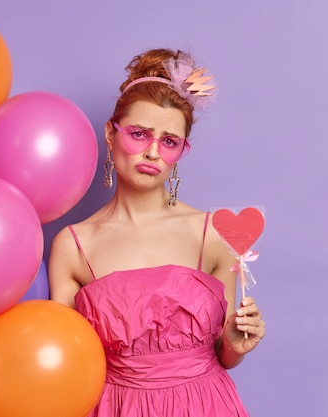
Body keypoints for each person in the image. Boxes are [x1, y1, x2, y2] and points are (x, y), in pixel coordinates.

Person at [47, 48, 265, 416]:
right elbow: (64, 362)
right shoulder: (74, 245)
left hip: (205, 405)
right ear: (111, 135)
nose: (152, 152)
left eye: (169, 141)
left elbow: (222, 356)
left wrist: (233, 345)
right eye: (139, 134)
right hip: (118, 407)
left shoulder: (212, 234)